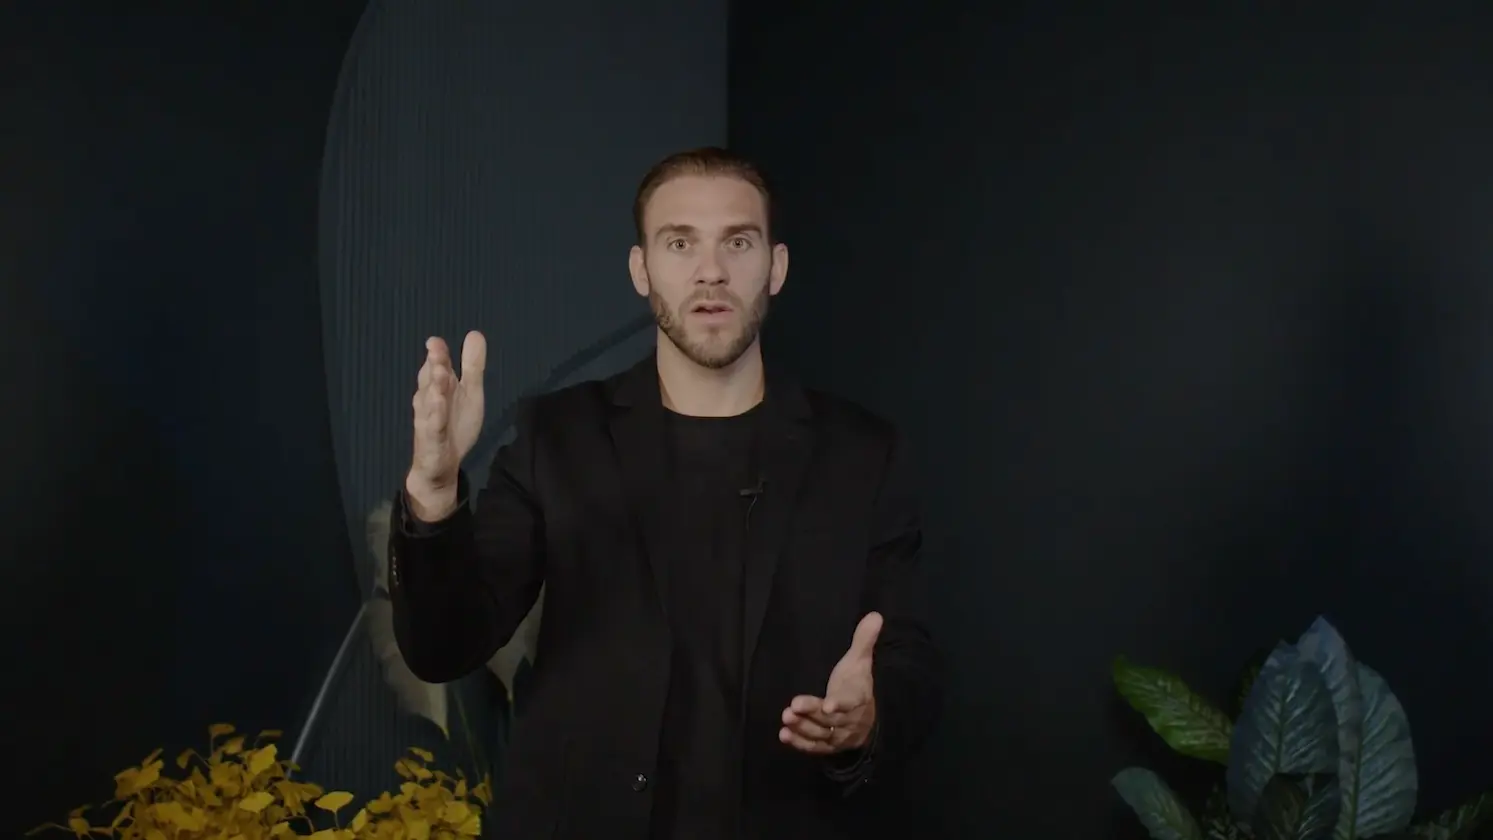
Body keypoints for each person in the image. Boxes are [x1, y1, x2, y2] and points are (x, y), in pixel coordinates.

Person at [388, 147, 942, 840]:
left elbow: (911, 662)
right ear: (640, 269)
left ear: (775, 267)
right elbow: (445, 647)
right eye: (679, 243)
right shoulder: (558, 437)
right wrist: (434, 492)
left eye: (737, 242)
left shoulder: (862, 452)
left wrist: (870, 715)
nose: (710, 271)